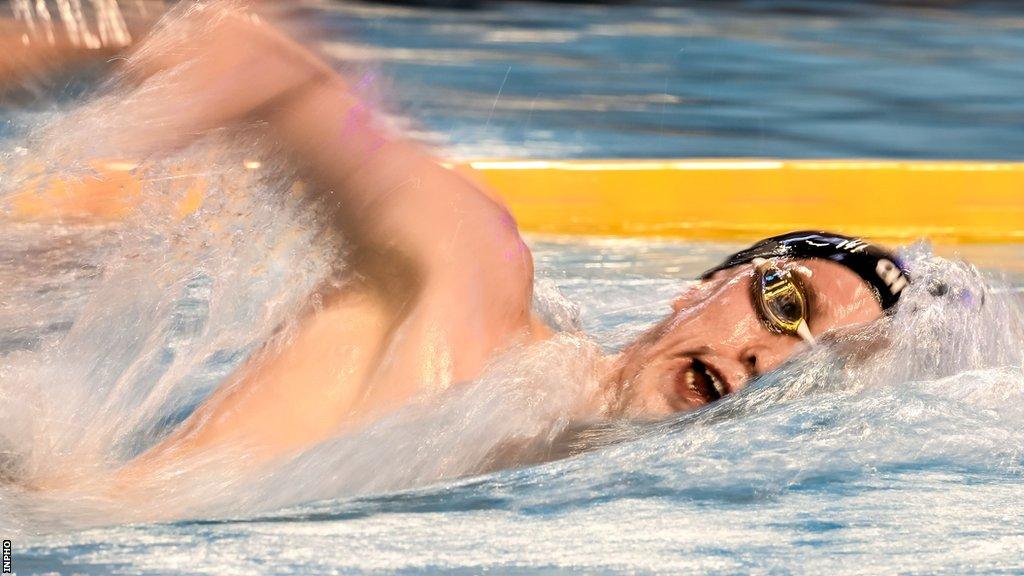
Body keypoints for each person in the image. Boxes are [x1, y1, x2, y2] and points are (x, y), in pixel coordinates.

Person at [3, 4, 909, 481]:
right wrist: (65, 185)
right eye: (784, 304)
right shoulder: (474, 276)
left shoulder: (570, 485)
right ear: (695, 291)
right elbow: (255, 44)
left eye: (816, 364)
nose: (768, 358)